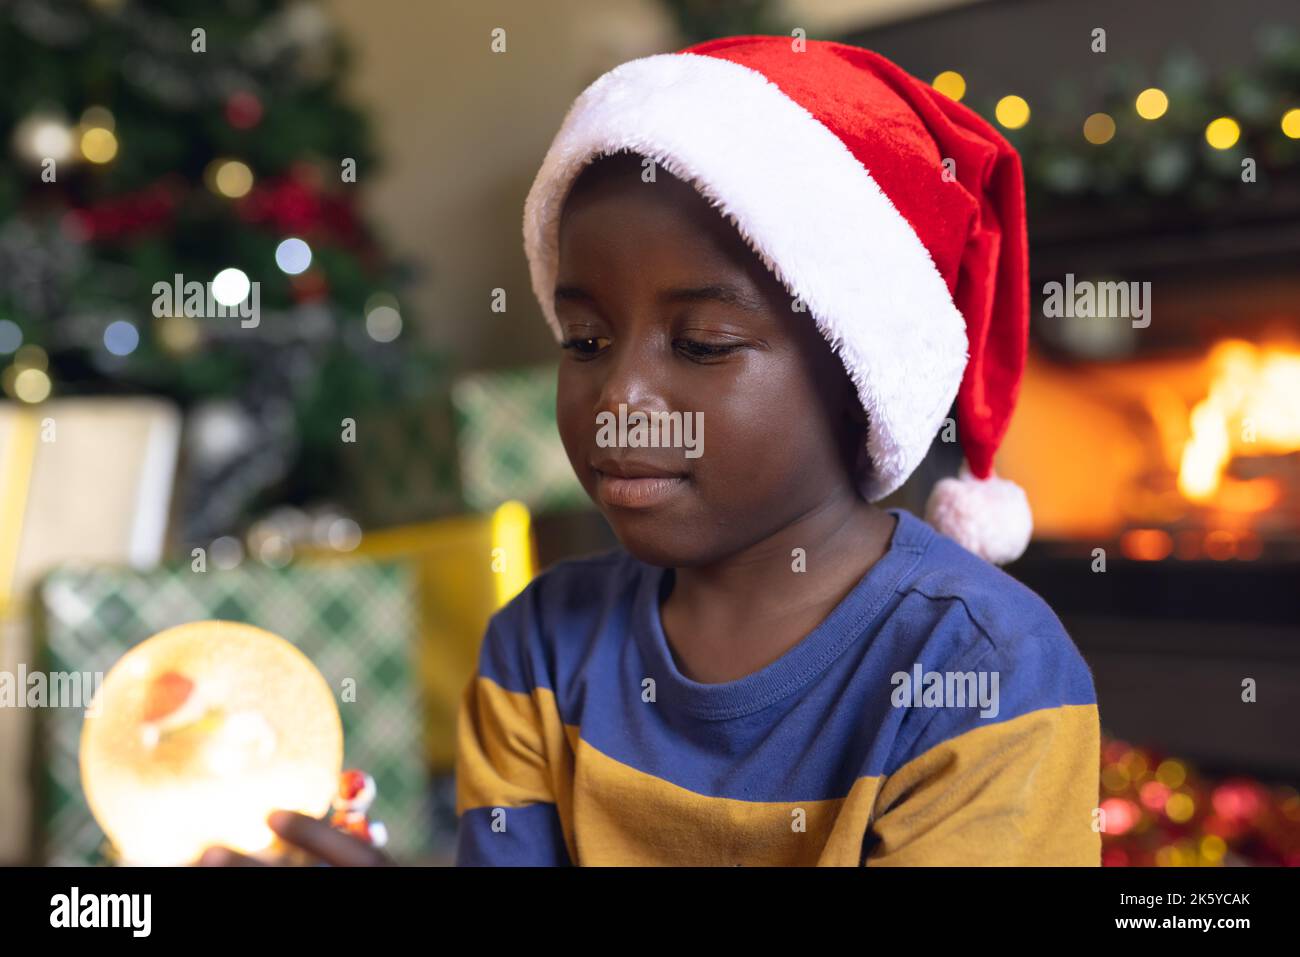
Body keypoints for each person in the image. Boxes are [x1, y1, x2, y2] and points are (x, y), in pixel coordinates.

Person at [204, 35, 1100, 867]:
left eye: (704, 341)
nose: (620, 399)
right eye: (585, 340)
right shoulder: (538, 652)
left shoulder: (984, 672)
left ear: (857, 374)